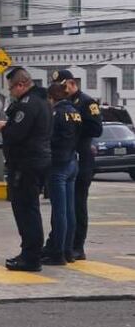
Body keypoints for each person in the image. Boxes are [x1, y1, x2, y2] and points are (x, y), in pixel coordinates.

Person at [0, 67, 53, 271]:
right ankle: (29, 252)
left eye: (11, 88)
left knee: (26, 210)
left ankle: (31, 256)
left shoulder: (27, 105)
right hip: (36, 161)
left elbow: (16, 134)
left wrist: (4, 128)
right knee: (29, 209)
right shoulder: (43, 102)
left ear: (21, 85)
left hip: (26, 163)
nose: (11, 92)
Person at [52, 69, 103, 260]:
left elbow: (97, 129)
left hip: (82, 158)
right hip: (67, 157)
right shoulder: (61, 105)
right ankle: (63, 243)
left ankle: (77, 246)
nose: (61, 90)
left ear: (72, 83)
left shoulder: (87, 102)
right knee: (65, 206)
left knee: (78, 204)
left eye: (63, 86)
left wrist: (76, 126)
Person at [43, 82, 81, 266]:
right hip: (73, 161)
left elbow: (49, 137)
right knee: (69, 210)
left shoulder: (56, 113)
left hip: (58, 164)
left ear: (52, 98)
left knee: (59, 212)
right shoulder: (75, 112)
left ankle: (57, 252)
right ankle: (69, 250)